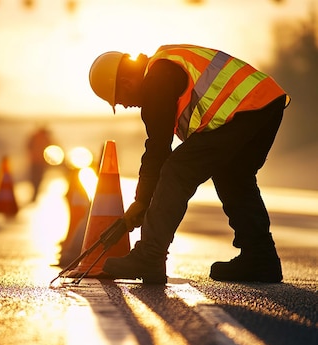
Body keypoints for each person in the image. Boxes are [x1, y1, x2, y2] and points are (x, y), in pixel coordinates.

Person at [88, 44, 290, 284]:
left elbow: (158, 151)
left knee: (177, 171)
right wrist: (142, 203)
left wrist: (141, 201)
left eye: (119, 100)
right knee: (234, 178)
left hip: (246, 108)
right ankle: (261, 259)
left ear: (125, 82)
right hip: (266, 104)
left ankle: (150, 255)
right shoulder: (166, 65)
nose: (125, 106)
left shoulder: (156, 79)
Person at [27, 125, 53, 201]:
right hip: (39, 162)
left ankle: (35, 193)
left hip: (36, 161)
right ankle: (35, 193)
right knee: (37, 178)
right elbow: (51, 146)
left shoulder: (35, 136)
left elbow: (28, 146)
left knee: (35, 178)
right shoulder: (43, 137)